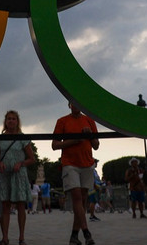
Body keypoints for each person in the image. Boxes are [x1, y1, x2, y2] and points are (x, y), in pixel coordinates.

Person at [52, 103, 99, 245]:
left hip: (87, 163)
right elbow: (54, 145)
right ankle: (86, 232)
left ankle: (74, 235)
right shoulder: (62, 121)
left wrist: (89, 136)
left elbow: (96, 145)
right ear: (69, 105)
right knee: (77, 198)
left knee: (82, 200)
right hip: (70, 163)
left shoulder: (90, 120)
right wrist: (75, 140)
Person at [0, 110, 35, 245]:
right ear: (5, 122)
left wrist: (21, 163)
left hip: (19, 174)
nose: (11, 121)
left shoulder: (23, 138)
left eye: (13, 119)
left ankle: (21, 237)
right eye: (9, 119)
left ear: (17, 122)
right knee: (5, 205)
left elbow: (31, 158)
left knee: (21, 205)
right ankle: (5, 238)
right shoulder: (0, 138)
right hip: (4, 174)